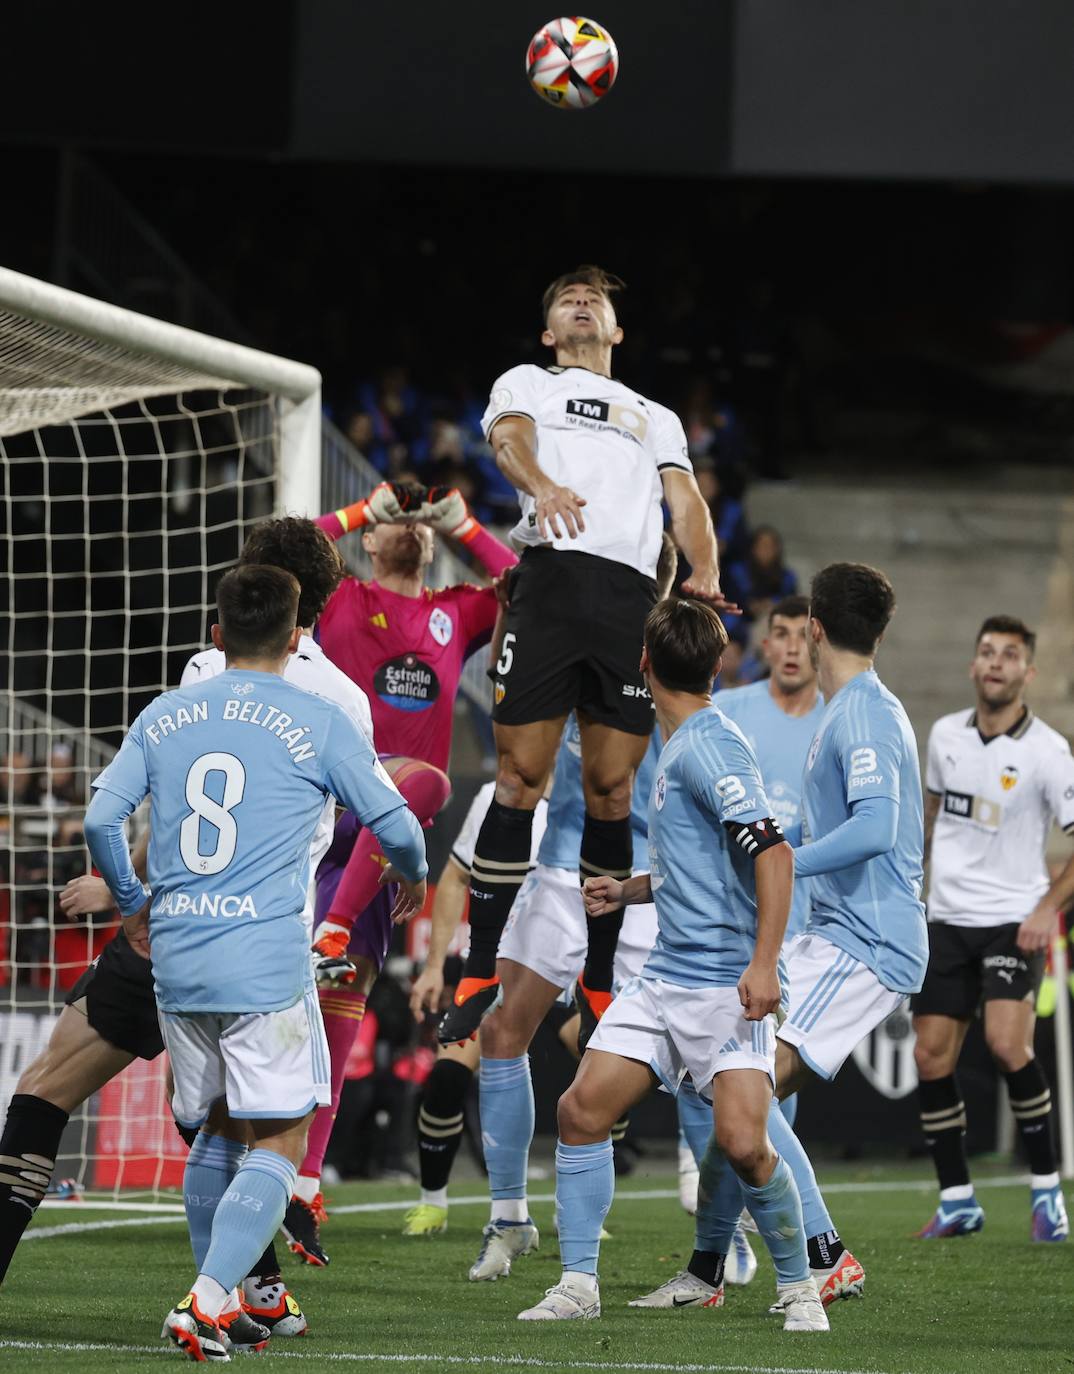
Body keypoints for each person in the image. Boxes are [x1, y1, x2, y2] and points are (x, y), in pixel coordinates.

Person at [0, 518, 368, 1336]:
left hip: (163, 930)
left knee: (46, 1094)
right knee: (247, 1127)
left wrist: (125, 891)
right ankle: (242, 1293)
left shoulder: (200, 672)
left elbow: (169, 799)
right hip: (261, 946)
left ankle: (248, 1291)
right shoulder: (342, 701)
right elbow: (359, 816)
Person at [81, 564, 428, 1360]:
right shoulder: (320, 718)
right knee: (281, 1141)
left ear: (215, 636)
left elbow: (104, 819)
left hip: (178, 958)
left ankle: (232, 1301)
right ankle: (205, 1302)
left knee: (215, 1134)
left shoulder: (166, 714)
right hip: (264, 963)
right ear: (298, 635)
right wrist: (407, 872)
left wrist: (134, 901)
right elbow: (400, 830)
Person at [514, 597, 827, 1332]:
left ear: (644, 666)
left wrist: (763, 964)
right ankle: (578, 1284)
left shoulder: (708, 747)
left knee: (746, 1147)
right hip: (663, 981)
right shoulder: (684, 740)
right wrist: (629, 888)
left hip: (723, 985)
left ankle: (801, 1286)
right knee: (581, 1111)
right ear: (718, 667)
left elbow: (773, 854)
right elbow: (706, 861)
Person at [442, 265, 734, 1048]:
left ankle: (598, 981)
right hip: (550, 583)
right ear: (548, 332)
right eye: (566, 300)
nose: (580, 305)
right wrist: (540, 486)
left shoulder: (653, 415)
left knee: (611, 791)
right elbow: (509, 441)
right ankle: (476, 969)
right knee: (517, 781)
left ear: (616, 331)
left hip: (628, 601)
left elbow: (686, 501)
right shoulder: (526, 383)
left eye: (594, 301)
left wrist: (703, 569)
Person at [269, 480, 514, 1261]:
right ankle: (250, 1160)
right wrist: (355, 512)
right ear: (369, 543)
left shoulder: (457, 613)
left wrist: (464, 523)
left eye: (419, 518)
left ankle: (303, 1185)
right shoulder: (339, 597)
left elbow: (529, 589)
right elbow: (277, 551)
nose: (407, 526)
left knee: (342, 1012)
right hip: (311, 816)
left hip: (380, 850)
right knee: (282, 1001)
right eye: (393, 520)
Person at [913, 615, 1074, 1241]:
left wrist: (1045, 911)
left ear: (1028, 672)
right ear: (974, 666)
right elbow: (929, 817)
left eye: (1010, 655)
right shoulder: (946, 734)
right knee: (930, 1057)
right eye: (987, 652)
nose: (997, 663)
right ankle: (957, 1200)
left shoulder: (1049, 752)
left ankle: (1046, 1192)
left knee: (1009, 1046)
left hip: (1014, 919)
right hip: (947, 917)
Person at [403, 779, 549, 1237]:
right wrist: (433, 969)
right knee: (447, 1075)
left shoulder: (591, 796)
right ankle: (433, 1202)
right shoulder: (496, 793)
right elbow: (454, 876)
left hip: (562, 966)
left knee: (599, 1075)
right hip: (497, 963)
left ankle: (582, 1206)